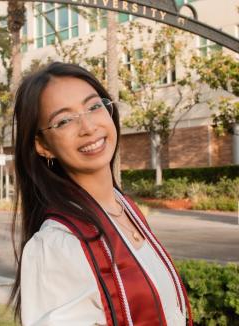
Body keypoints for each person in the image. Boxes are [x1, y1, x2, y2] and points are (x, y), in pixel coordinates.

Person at [10, 62, 192, 326]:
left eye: (94, 106)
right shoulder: (57, 245)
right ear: (42, 145)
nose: (88, 126)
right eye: (63, 121)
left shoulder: (125, 208)